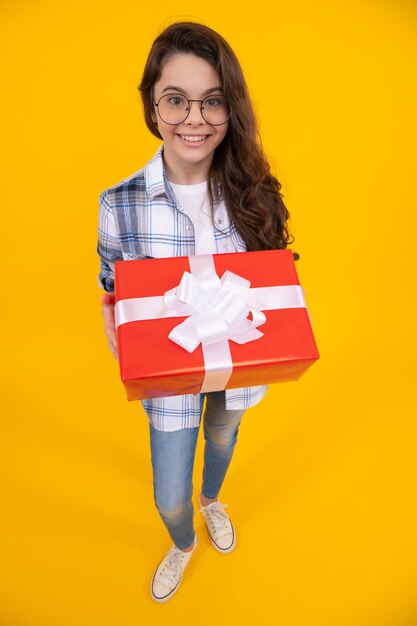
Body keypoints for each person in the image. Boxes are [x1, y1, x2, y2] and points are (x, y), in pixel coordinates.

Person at [97, 21, 295, 603]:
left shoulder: (256, 191)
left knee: (225, 438)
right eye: (176, 100)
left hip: (239, 362)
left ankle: (214, 499)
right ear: (151, 105)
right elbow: (111, 279)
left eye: (213, 102)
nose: (195, 119)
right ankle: (183, 540)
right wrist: (113, 317)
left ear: (230, 109)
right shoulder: (120, 202)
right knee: (168, 497)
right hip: (170, 364)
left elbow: (275, 279)